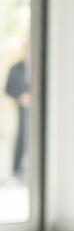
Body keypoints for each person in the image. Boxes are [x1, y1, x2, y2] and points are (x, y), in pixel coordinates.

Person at [4, 42, 30, 181]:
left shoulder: (39, 67)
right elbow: (8, 89)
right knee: (23, 137)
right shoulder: (15, 69)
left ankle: (27, 170)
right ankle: (18, 170)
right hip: (22, 109)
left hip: (35, 110)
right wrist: (20, 97)